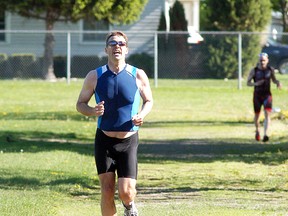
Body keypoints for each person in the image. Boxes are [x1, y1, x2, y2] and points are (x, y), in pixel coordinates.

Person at [76, 31, 153, 216]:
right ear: (106, 49)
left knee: (126, 193)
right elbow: (80, 104)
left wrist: (141, 115)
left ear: (126, 49)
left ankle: (129, 207)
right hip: (105, 140)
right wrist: (92, 111)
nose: (116, 46)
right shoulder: (95, 76)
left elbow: (149, 101)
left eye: (120, 43)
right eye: (112, 43)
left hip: (128, 140)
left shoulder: (138, 75)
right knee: (107, 190)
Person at [247, 52, 282, 142]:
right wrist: (256, 83)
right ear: (258, 61)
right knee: (257, 116)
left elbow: (274, 80)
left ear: (267, 61)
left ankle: (266, 134)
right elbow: (248, 83)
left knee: (267, 114)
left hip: (267, 95)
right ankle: (258, 131)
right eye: (261, 60)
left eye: (264, 61)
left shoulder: (270, 70)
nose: (262, 62)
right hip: (257, 96)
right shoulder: (254, 70)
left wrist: (278, 83)